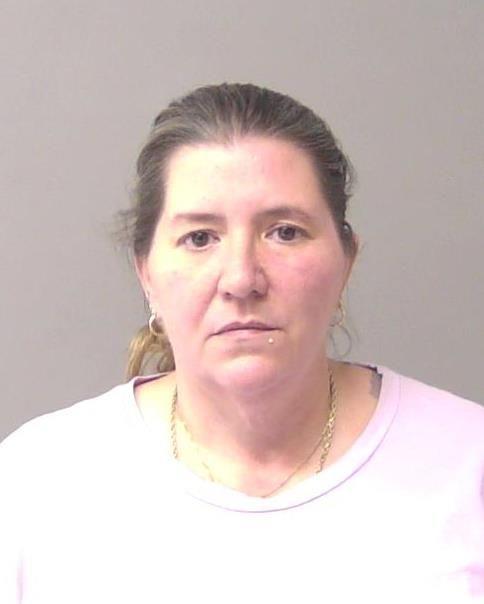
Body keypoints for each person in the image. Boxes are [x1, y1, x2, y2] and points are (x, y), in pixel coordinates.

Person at [0, 83, 483, 603]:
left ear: (346, 261)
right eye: (200, 238)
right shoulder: (36, 481)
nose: (241, 279)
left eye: (285, 232)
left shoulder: (467, 462)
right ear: (146, 274)